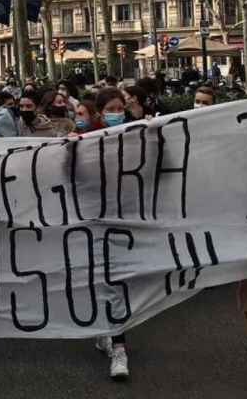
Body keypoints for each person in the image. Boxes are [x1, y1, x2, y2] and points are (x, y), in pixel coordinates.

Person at [91, 87, 132, 380]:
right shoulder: (85, 141)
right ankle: (111, 336)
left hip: (128, 219)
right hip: (93, 221)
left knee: (118, 280)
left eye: (120, 108)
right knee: (102, 279)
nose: (117, 113)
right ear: (100, 113)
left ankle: (118, 343)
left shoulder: (138, 134)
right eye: (110, 110)